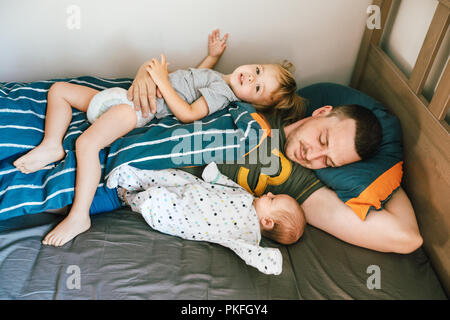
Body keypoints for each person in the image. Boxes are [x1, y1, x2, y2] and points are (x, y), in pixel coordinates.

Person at [13, 29, 305, 247]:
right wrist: (214, 55)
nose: (251, 78)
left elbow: (189, 112)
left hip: (137, 110)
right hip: (121, 96)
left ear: (255, 104)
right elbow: (196, 78)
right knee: (59, 90)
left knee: (87, 144)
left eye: (257, 88)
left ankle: (79, 216)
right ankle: (52, 144)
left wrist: (162, 81)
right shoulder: (219, 79)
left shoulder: (223, 95)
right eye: (257, 71)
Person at [127, 47, 423, 254]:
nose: (313, 157)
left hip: (142, 167)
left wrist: (383, 173)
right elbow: (198, 80)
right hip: (146, 117)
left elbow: (407, 238)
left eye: (329, 161)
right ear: (321, 112)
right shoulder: (266, 102)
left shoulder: (302, 185)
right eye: (322, 140)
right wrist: (144, 74)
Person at [108, 162, 306, 275]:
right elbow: (227, 187)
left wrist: (269, 259)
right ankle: (127, 175)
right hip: (194, 188)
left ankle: (126, 196)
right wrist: (216, 177)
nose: (270, 193)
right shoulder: (249, 198)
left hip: (187, 215)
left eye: (272, 199)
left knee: (156, 202)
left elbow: (250, 253)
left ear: (268, 222)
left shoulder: (248, 235)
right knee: (169, 176)